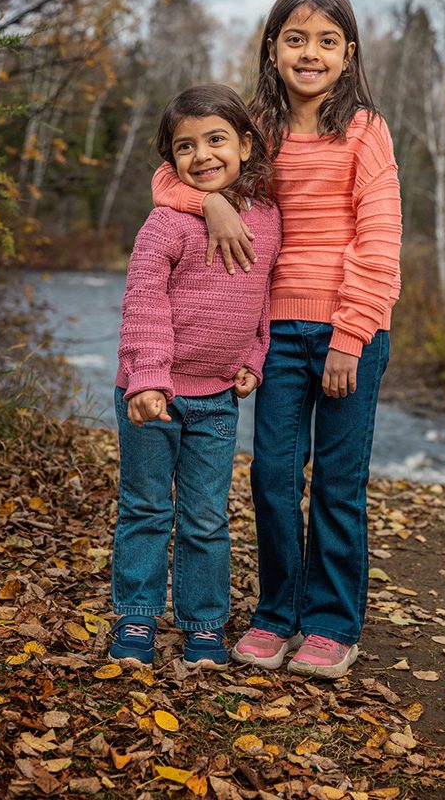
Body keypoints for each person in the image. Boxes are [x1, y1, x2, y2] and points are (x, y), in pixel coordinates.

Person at [152, 0, 402, 679]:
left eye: (326, 40)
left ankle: (330, 625)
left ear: (348, 53)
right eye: (295, 38)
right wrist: (214, 205)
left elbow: (379, 240)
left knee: (337, 484)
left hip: (352, 327)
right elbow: (171, 176)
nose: (309, 52)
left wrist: (351, 335)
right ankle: (276, 614)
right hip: (275, 329)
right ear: (272, 47)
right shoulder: (254, 125)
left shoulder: (364, 130)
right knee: (271, 476)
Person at [109, 84, 281, 670]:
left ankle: (203, 625)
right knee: (147, 508)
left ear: (246, 146)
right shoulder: (165, 225)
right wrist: (149, 379)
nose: (203, 155)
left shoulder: (270, 220)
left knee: (206, 516)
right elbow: (143, 304)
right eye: (186, 146)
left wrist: (254, 358)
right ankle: (136, 619)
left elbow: (261, 299)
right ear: (171, 161)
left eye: (216, 139)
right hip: (151, 393)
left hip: (216, 400)